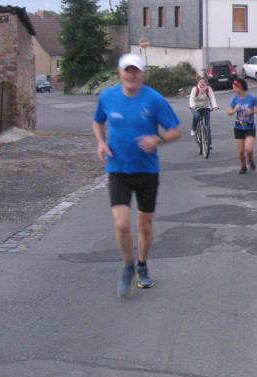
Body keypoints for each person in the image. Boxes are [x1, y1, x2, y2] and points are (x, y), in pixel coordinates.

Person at [92, 53, 182, 298]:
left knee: (145, 224)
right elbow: (98, 122)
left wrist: (157, 139)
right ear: (120, 73)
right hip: (118, 169)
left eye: (136, 71)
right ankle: (128, 267)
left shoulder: (154, 100)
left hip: (146, 170)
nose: (131, 75)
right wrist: (101, 142)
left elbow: (176, 130)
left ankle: (142, 264)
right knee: (122, 224)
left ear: (143, 74)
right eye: (127, 70)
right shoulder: (107, 96)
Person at [227, 78, 257, 174]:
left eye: (235, 87)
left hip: (250, 127)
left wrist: (252, 111)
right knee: (241, 151)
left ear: (241, 87)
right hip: (238, 128)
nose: (233, 89)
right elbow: (229, 112)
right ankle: (243, 165)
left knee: (249, 149)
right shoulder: (234, 100)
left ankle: (250, 159)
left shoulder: (252, 98)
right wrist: (234, 110)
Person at [188, 77, 219, 145]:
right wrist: (192, 106)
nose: (202, 83)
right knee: (196, 116)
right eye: (201, 82)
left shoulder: (208, 89)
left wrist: (214, 106)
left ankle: (209, 144)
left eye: (204, 82)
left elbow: (212, 97)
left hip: (205, 107)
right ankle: (194, 129)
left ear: (206, 83)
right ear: (198, 83)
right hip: (196, 107)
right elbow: (191, 98)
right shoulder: (195, 89)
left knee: (207, 126)